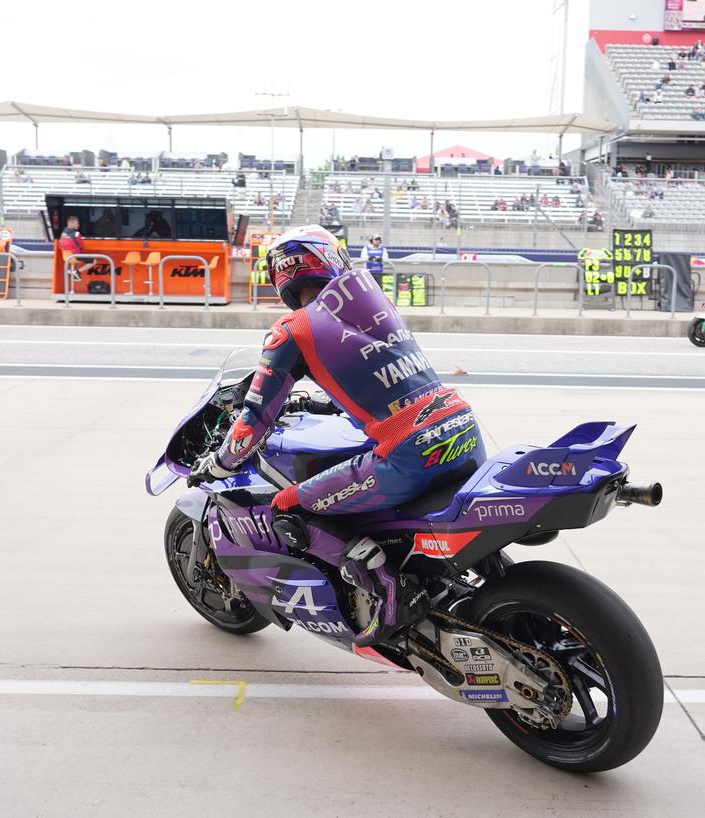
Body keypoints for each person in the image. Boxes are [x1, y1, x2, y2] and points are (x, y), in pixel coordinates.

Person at [188, 225, 484, 647]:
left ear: (281, 276)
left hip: (410, 455)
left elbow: (254, 419)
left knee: (288, 507)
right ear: (332, 258)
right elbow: (377, 375)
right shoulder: (370, 301)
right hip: (462, 429)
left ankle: (388, 589)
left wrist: (220, 461)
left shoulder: (292, 330)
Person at [58, 215, 99, 281]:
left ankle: (71, 271)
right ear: (72, 223)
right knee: (94, 261)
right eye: (77, 223)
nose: (78, 225)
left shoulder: (63, 233)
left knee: (79, 257)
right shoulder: (76, 234)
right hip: (75, 256)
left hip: (66, 257)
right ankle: (77, 272)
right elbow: (82, 246)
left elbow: (60, 245)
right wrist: (82, 251)